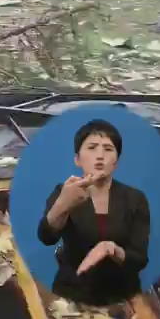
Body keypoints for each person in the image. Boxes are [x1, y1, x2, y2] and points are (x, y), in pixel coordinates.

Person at [37, 120, 151, 306]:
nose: (100, 156)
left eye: (108, 149)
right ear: (77, 159)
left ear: (116, 162)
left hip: (122, 297)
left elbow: (139, 259)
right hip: (72, 293)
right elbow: (46, 237)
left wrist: (110, 248)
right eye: (92, 148)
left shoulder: (135, 198)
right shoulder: (64, 191)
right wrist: (62, 205)